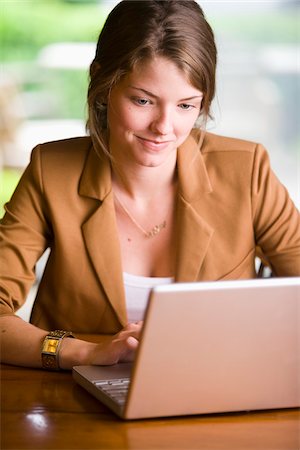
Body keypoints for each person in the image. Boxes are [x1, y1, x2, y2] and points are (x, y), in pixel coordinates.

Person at [1, 0, 299, 371]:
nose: (164, 127)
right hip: (75, 404)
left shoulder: (248, 170)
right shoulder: (51, 171)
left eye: (186, 106)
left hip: (221, 388)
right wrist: (86, 353)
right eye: (143, 100)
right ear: (102, 83)